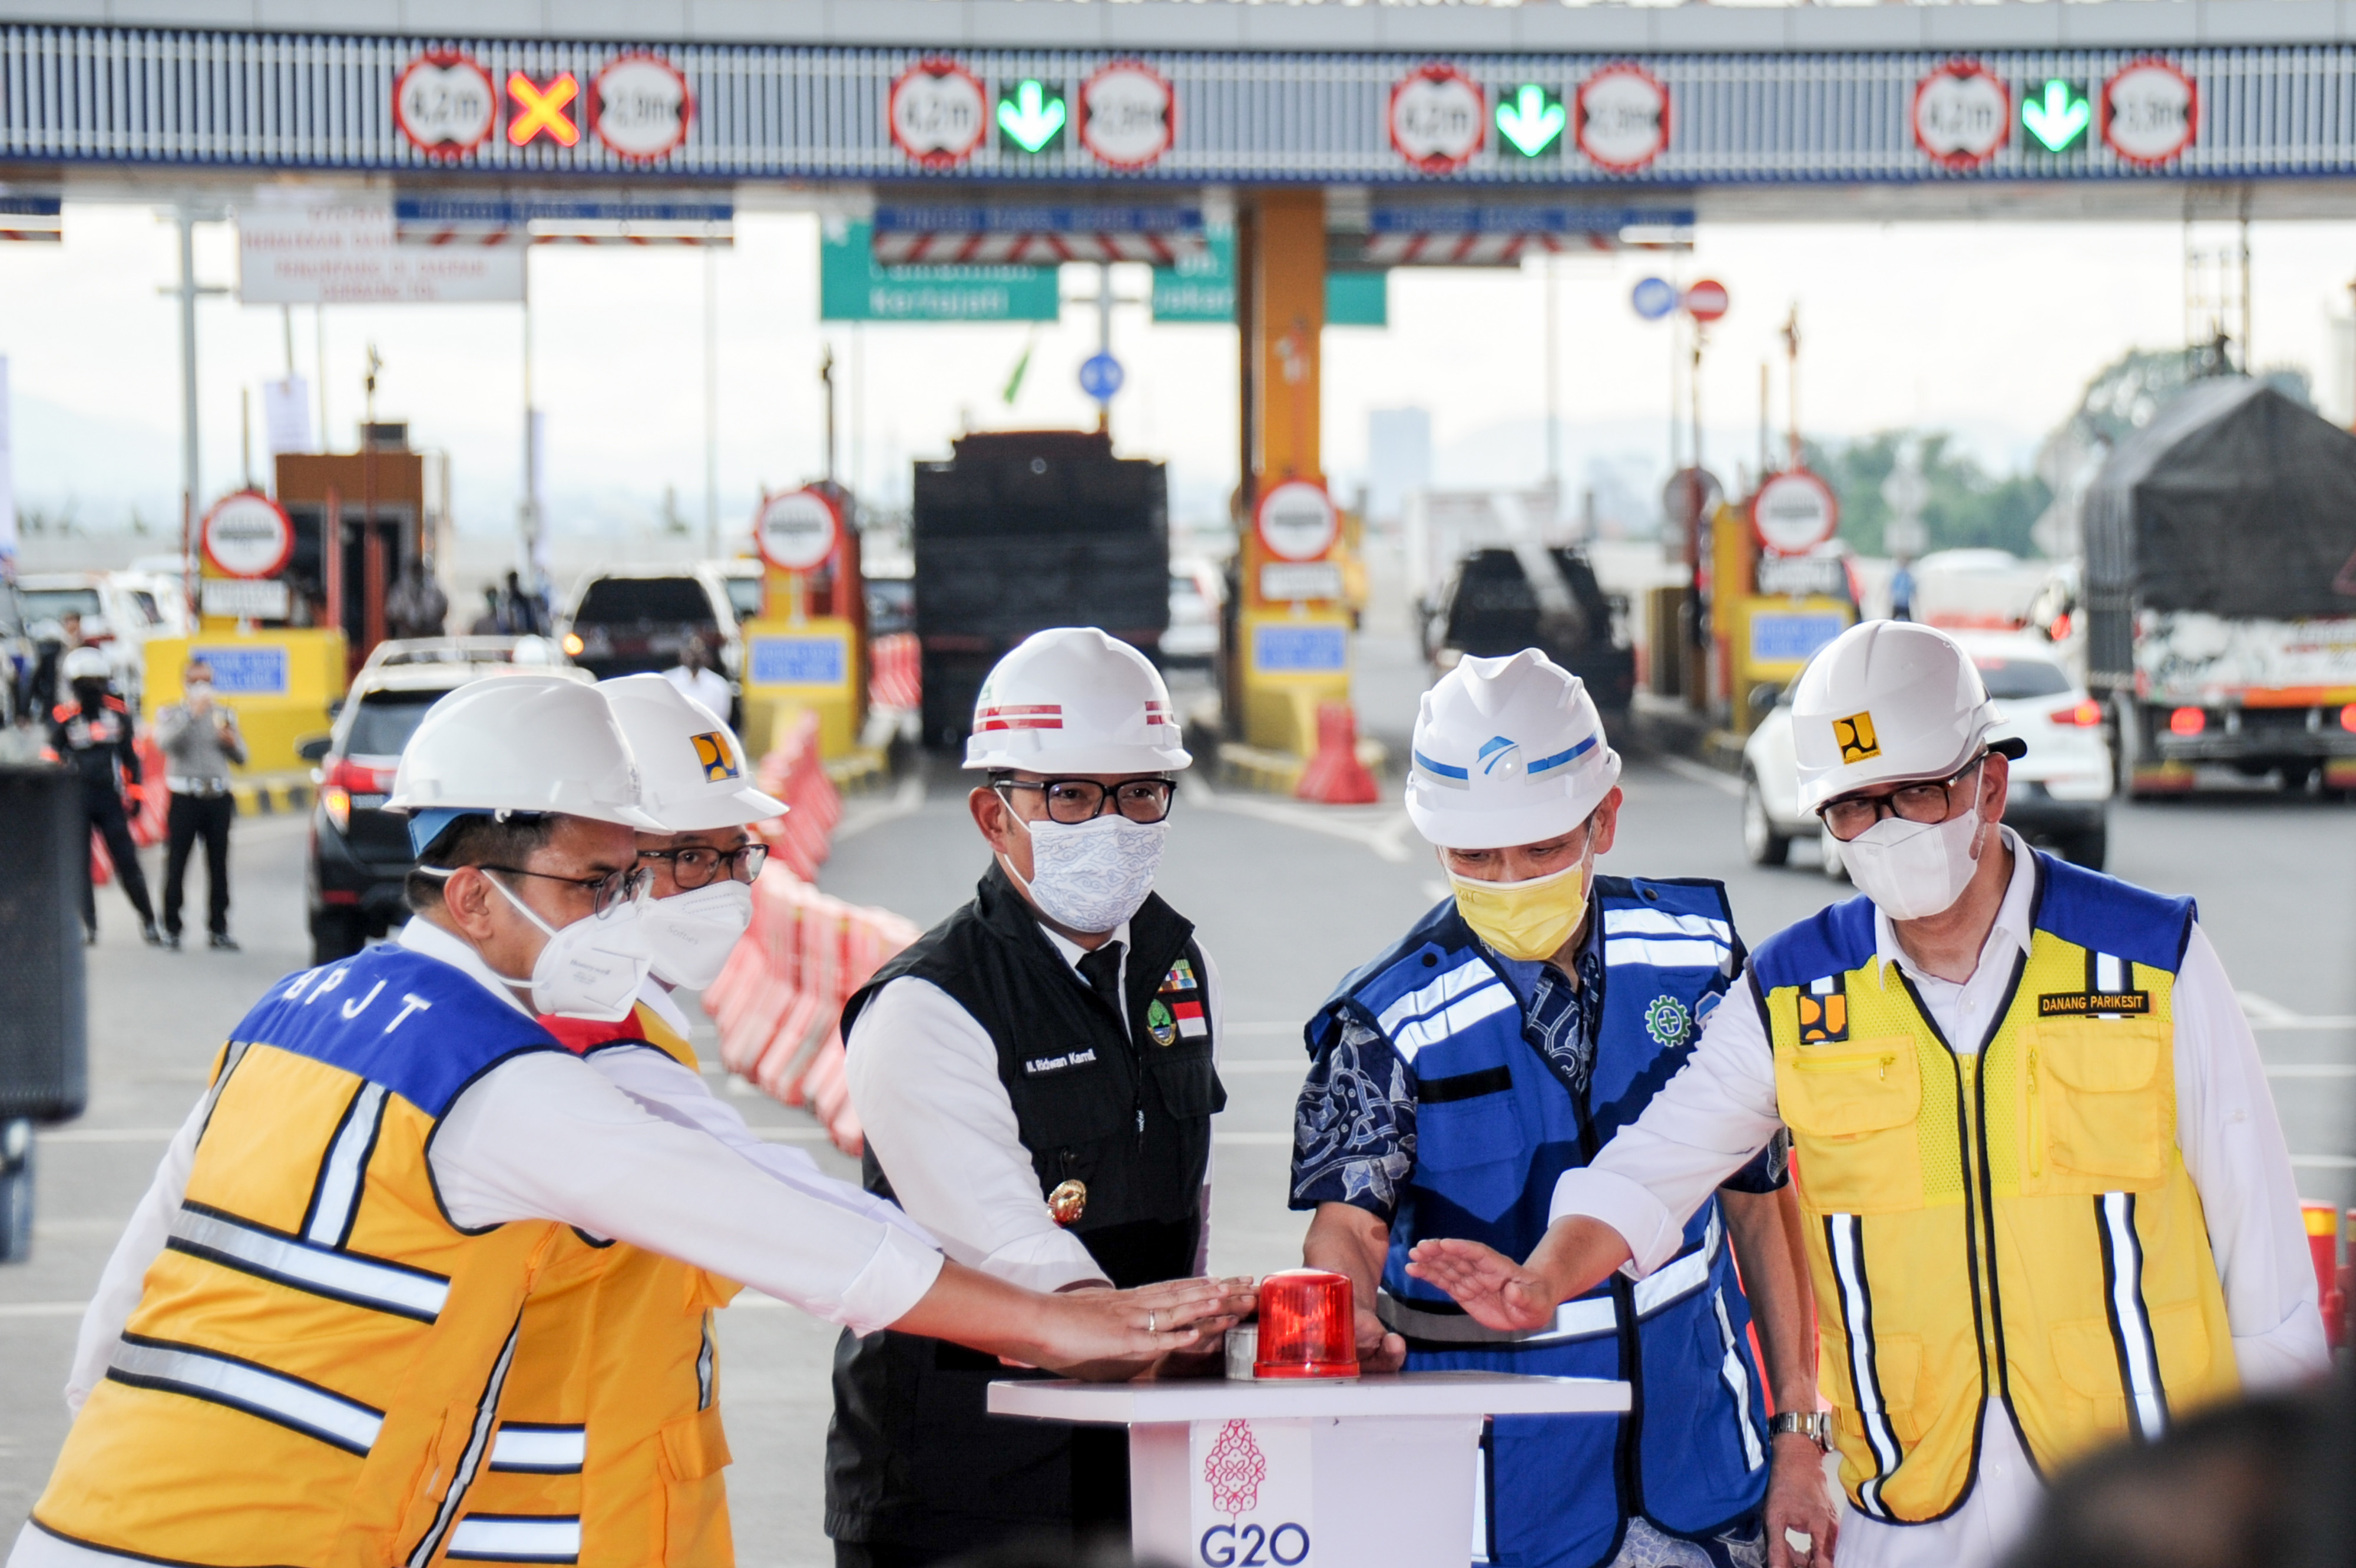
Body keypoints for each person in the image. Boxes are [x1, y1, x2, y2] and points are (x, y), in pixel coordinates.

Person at [13, 673, 1252, 1568]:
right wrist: (1051, 1320)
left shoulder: (300, 1009)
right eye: (612, 878)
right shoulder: (501, 1076)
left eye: (681, 866)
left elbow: (115, 1322)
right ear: (471, 891)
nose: (644, 903)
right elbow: (794, 1228)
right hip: (305, 1537)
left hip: (113, 1513)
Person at [1407, 621, 2330, 1568]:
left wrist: (2270, 1511)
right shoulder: (1795, 991)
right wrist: (1545, 1278)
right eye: (1853, 807)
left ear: (1988, 785)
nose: (1888, 828)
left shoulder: (2148, 955)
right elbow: (1653, 1165)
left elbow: (2262, 1262)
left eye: (1917, 793)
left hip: (2141, 1512)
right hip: (1909, 1515)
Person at [1292, 649, 1830, 1568]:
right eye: (1475, 854)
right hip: (1499, 1502)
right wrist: (1350, 1318)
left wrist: (1797, 1429)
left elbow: (1760, 1198)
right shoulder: (1386, 1019)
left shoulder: (1699, 956)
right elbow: (1345, 1229)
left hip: (1703, 1470)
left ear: (1604, 819)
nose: (1507, 878)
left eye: (1542, 847)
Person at [465, 670, 922, 1564]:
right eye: (688, 856)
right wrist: (1051, 1316)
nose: (722, 886)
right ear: (598, 855)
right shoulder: (571, 1046)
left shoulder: (643, 1023)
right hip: (548, 1516)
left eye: (734, 852)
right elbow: (787, 1224)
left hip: (646, 1493)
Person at [829, 627, 1228, 1565]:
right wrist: (1174, 1330)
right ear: (992, 813)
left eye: (1139, 793)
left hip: (1136, 1463)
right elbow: (1008, 1249)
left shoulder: (1169, 963)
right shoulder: (928, 1005)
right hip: (961, 1483)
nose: (1112, 823)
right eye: (1071, 795)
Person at [46, 645, 157, 947]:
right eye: (84, 682)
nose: (91, 688)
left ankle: (149, 920)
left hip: (109, 799)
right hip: (77, 801)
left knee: (127, 862)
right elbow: (51, 755)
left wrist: (135, 794)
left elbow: (131, 757)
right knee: (79, 865)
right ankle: (89, 926)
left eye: (95, 681)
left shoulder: (118, 713)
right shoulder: (64, 716)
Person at [152, 659, 246, 952]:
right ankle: (172, 927)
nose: (202, 687)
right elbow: (165, 743)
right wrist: (192, 714)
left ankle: (219, 928)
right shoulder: (172, 713)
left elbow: (243, 757)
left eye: (206, 681)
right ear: (185, 683)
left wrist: (231, 742)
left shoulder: (225, 714)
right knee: (177, 863)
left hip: (217, 796)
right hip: (185, 796)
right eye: (195, 681)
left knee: (218, 865)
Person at [663, 634, 732, 720]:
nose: (694, 656)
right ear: (681, 654)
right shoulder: (667, 681)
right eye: (690, 651)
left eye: (698, 651)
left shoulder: (719, 685)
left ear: (706, 655)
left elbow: (722, 718)